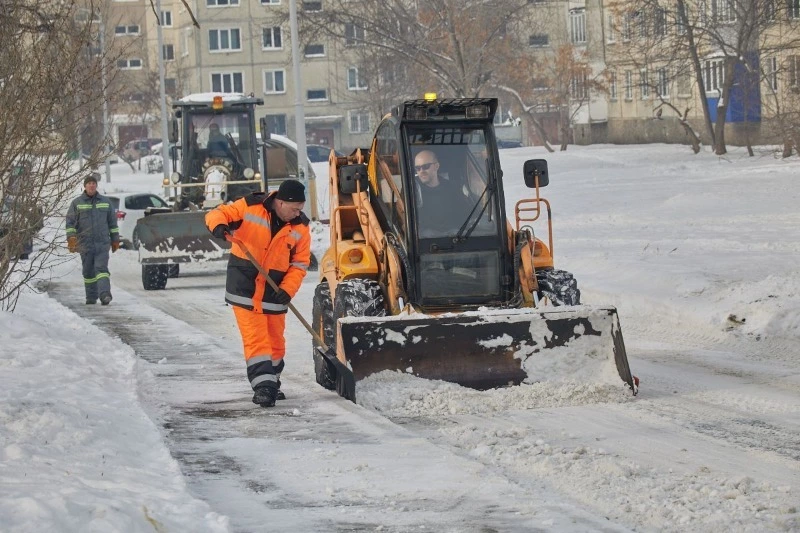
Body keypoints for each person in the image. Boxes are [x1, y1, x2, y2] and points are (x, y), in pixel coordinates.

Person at [205, 179, 311, 408]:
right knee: (257, 339)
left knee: (276, 343)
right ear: (280, 202)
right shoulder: (251, 206)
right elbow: (218, 213)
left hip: (275, 290)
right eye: (293, 209)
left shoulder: (301, 227)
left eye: (300, 210)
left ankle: (271, 380)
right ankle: (264, 388)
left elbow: (300, 264)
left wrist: (288, 289)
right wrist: (219, 226)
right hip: (245, 285)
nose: (296, 214)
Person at [65, 172, 120, 305]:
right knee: (88, 272)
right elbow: (70, 223)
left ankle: (105, 294)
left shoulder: (105, 202)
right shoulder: (76, 203)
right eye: (89, 184)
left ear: (96, 186)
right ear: (85, 186)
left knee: (101, 269)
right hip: (85, 244)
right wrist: (71, 239)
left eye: (94, 184)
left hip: (102, 243)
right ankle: (91, 297)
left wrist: (115, 239)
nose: (92, 186)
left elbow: (113, 224)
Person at [413, 149, 472, 233]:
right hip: (424, 241)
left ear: (436, 166)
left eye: (426, 166)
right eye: (418, 168)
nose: (421, 171)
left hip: (454, 238)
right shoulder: (412, 189)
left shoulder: (452, 188)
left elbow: (465, 215)